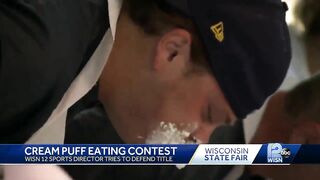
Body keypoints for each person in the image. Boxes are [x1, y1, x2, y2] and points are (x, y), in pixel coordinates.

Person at [1, 0, 290, 179]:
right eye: (209, 114)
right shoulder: (33, 54)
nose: (199, 141)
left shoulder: (86, 55)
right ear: (172, 52)